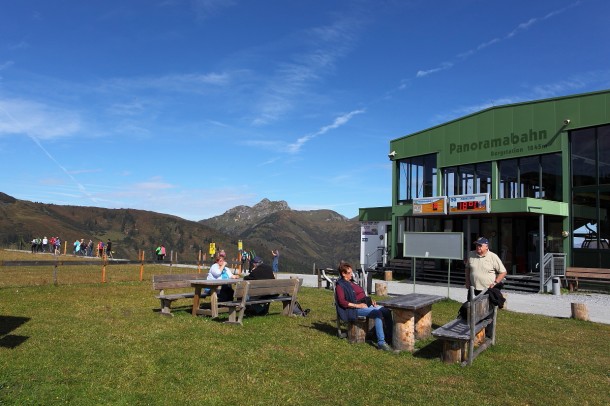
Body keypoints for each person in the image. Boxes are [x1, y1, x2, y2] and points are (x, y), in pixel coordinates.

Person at [335, 262, 393, 351]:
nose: (352, 274)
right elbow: (342, 302)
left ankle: (389, 338)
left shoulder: (352, 283)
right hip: (353, 309)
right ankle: (381, 342)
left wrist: (370, 302)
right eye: (349, 273)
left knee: (386, 311)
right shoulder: (340, 285)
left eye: (351, 272)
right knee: (377, 313)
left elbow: (362, 296)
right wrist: (358, 305)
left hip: (364, 304)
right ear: (343, 274)